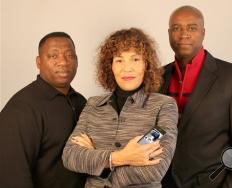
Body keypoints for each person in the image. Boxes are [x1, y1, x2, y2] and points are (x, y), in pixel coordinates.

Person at [62, 28, 178, 188]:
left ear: (146, 64)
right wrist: (122, 157)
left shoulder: (163, 107)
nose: (127, 68)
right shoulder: (93, 105)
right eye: (119, 60)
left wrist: (100, 167)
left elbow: (155, 167)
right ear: (110, 66)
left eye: (135, 59)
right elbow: (71, 156)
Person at [160, 5, 232, 188]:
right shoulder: (156, 77)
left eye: (192, 28)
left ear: (203, 32)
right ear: (169, 33)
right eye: (176, 28)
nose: (183, 34)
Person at [0, 32, 87, 188]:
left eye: (70, 55)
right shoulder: (21, 109)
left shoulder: (82, 102)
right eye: (53, 56)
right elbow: (12, 177)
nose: (63, 62)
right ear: (39, 62)